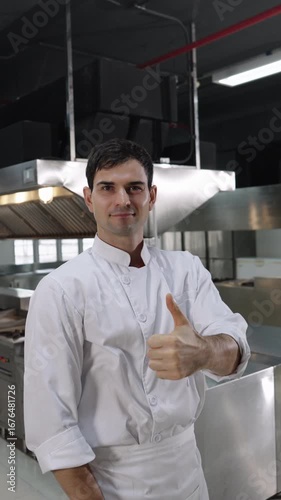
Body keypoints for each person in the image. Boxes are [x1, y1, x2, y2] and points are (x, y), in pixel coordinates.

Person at [24, 138, 250, 500]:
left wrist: (204, 352)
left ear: (152, 195)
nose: (122, 200)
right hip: (114, 482)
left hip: (189, 472)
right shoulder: (61, 289)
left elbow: (236, 346)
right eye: (107, 188)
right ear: (88, 198)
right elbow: (50, 422)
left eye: (134, 187)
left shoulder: (186, 269)